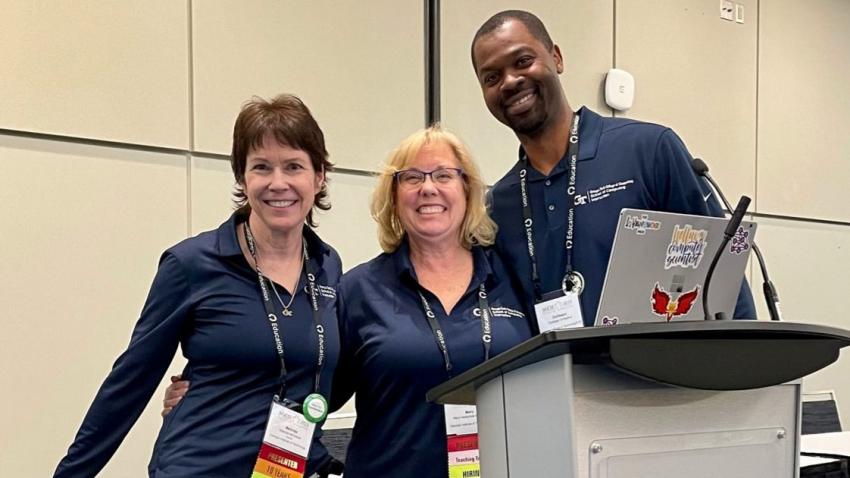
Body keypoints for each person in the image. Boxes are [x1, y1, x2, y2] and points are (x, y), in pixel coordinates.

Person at [54, 94, 343, 477]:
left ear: (318, 176)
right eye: (261, 167)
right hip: (199, 467)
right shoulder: (192, 264)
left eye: (293, 166)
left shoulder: (326, 266)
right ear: (243, 177)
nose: (278, 183)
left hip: (286, 469)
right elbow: (130, 382)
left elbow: (323, 372)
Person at [470, 10, 756, 328]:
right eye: (492, 77)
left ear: (556, 58)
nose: (510, 81)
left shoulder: (649, 150)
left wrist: (746, 370)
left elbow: (722, 279)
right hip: (554, 376)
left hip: (658, 374)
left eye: (522, 61)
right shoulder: (499, 205)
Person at [331, 125, 533, 477]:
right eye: (411, 178)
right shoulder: (358, 290)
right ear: (393, 196)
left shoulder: (514, 279)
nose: (428, 188)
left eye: (443, 175)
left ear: (467, 189)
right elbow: (316, 395)